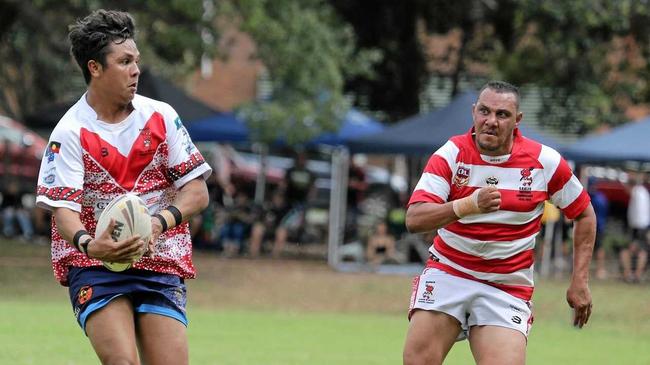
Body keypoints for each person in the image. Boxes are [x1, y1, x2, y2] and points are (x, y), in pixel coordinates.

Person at [34, 10, 211, 365]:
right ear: (95, 68)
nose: (136, 70)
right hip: (95, 263)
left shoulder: (161, 117)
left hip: (159, 260)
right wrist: (91, 245)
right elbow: (63, 212)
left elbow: (197, 192)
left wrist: (157, 224)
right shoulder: (70, 133)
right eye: (125, 61)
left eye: (136, 61)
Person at [402, 81, 596, 365]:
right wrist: (468, 205)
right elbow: (415, 218)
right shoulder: (451, 154)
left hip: (506, 284)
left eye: (502, 114)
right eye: (484, 111)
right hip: (449, 271)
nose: (490, 121)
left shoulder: (545, 161)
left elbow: (584, 213)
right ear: (473, 112)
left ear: (517, 120)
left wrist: (580, 280)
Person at [272, 150, 315, 257]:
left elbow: (312, 189)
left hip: (302, 205)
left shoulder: (310, 174)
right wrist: (279, 197)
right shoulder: (290, 171)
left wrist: (309, 203)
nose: (302, 161)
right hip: (289, 204)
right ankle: (277, 251)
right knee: (283, 225)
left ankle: (296, 252)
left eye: (304, 158)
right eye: (300, 158)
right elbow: (283, 185)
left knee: (299, 228)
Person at [620, 171, 649, 283]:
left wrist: (636, 236)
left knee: (639, 251)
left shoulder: (638, 193)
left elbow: (639, 216)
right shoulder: (640, 192)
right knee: (638, 251)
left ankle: (634, 275)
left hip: (639, 228)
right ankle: (633, 275)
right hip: (639, 227)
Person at [587, 177, 609, 279]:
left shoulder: (591, 197)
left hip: (594, 226)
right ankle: (599, 270)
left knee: (593, 249)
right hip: (600, 225)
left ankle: (598, 270)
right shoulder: (602, 197)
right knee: (598, 249)